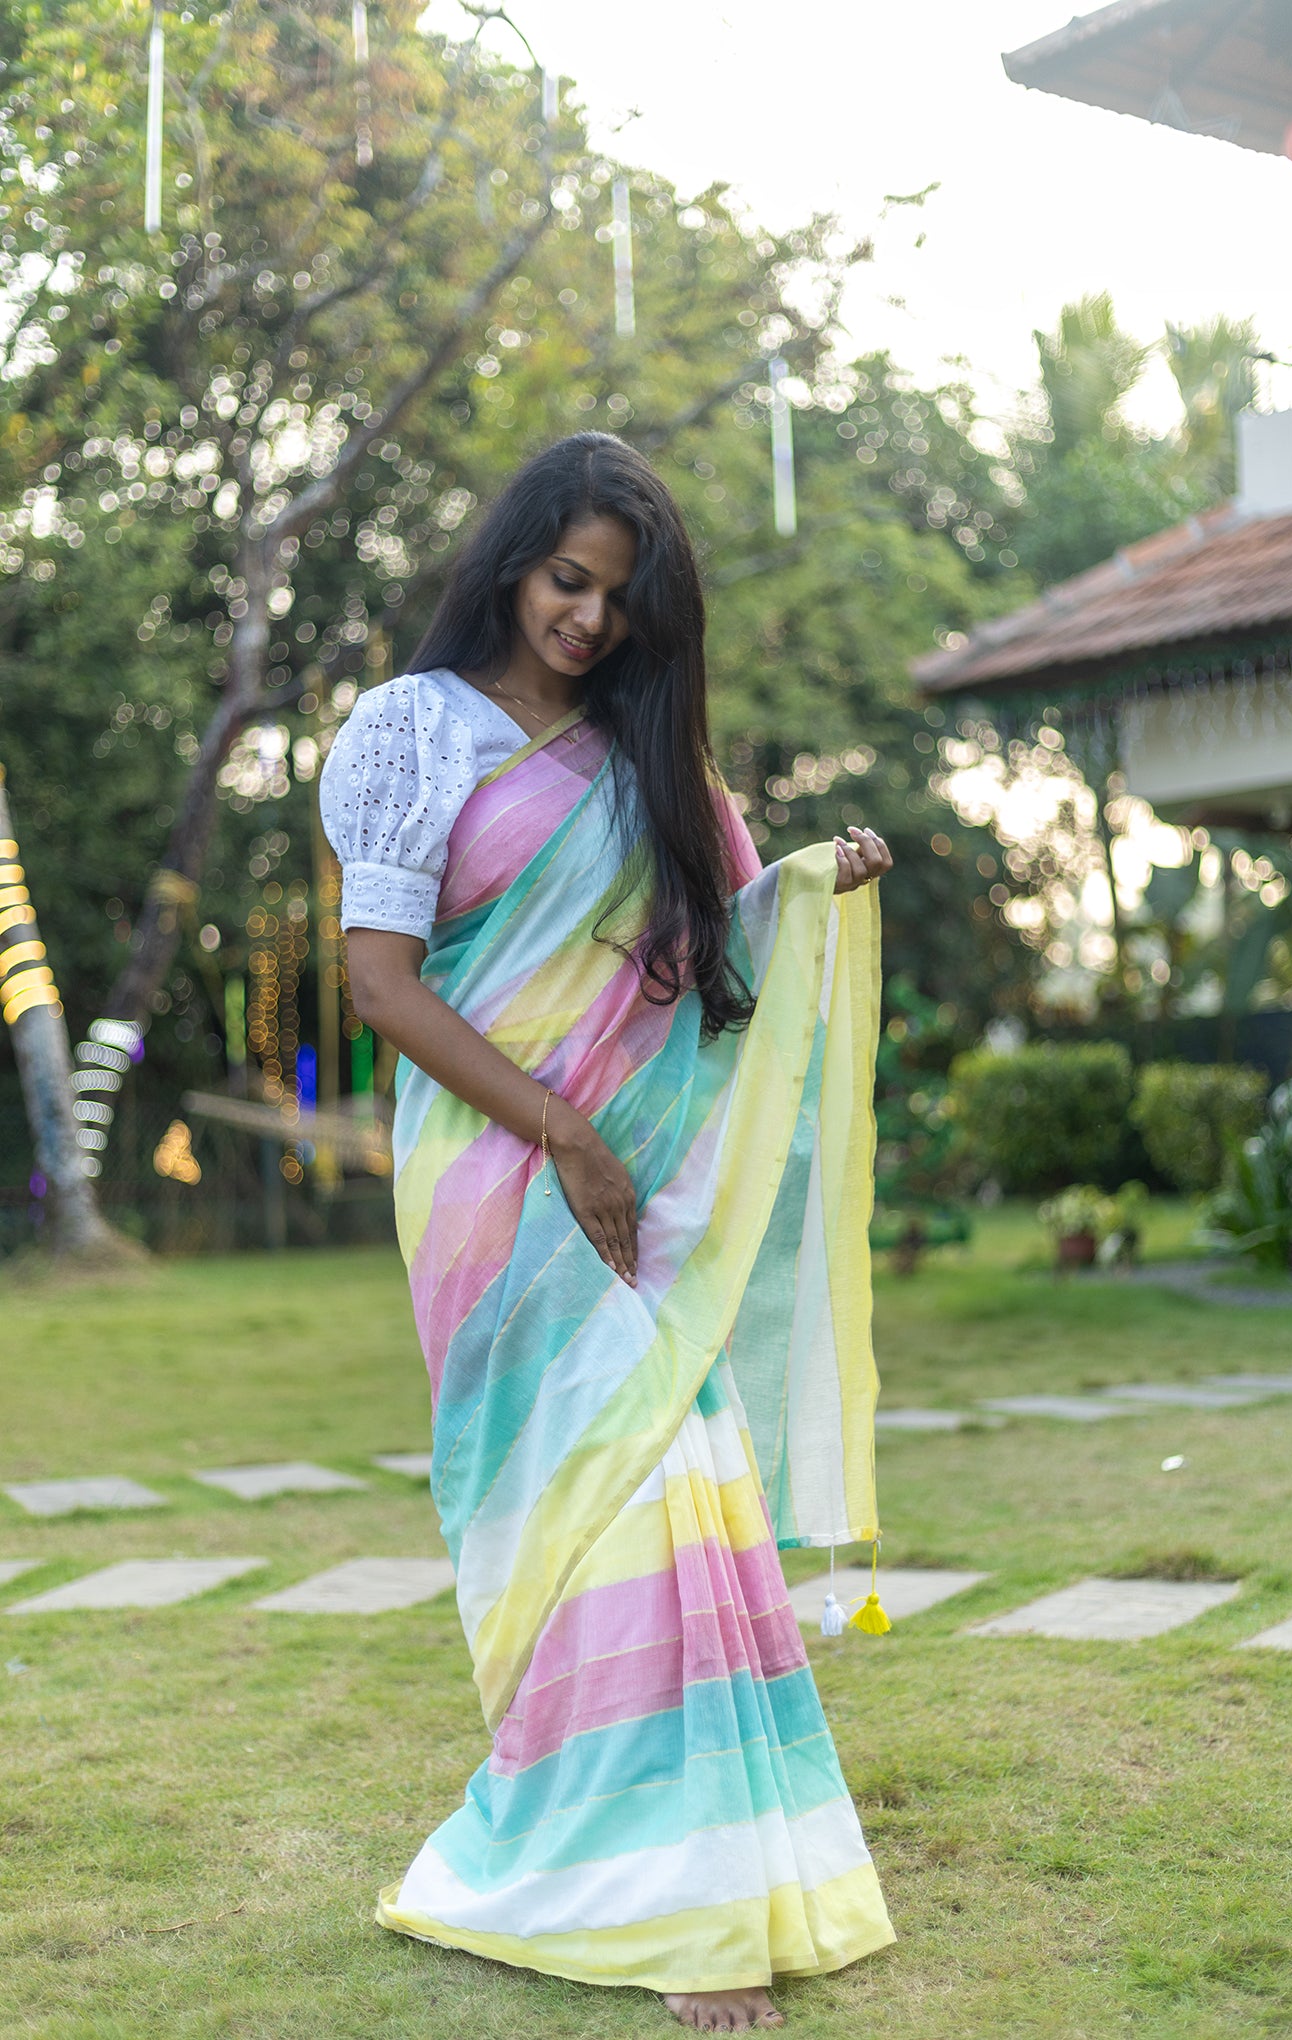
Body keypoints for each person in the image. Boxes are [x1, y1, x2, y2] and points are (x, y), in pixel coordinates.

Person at [320, 431, 895, 2034]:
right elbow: (381, 983)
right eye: (569, 579)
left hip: (623, 1181)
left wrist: (818, 886)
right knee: (595, 1493)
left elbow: (722, 936)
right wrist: (559, 1132)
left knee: (672, 1478)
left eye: (618, 599)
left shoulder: (646, 758)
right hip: (494, 1185)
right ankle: (663, 1904)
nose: (586, 618)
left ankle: (692, 1869)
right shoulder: (413, 734)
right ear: (513, 559)